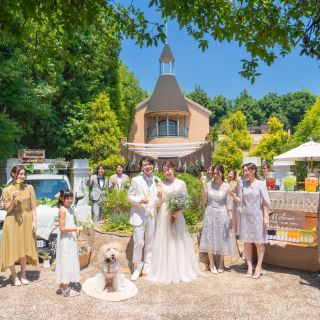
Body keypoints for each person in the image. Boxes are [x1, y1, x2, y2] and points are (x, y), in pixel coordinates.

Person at [148, 161, 201, 284]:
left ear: (174, 169)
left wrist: (178, 211)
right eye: (164, 170)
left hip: (177, 216)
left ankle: (180, 270)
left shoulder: (181, 183)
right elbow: (157, 203)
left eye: (168, 169)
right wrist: (159, 197)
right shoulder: (161, 183)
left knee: (178, 241)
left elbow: (186, 200)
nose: (167, 172)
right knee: (165, 241)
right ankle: (165, 271)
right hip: (164, 216)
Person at [0, 166, 38, 285]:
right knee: (12, 247)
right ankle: (14, 276)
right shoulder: (6, 189)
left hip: (26, 220)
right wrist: (13, 198)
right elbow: (8, 209)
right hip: (12, 221)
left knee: (24, 247)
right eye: (19, 174)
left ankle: (23, 274)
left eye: (23, 174)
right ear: (13, 174)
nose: (22, 176)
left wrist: (34, 221)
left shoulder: (29, 187)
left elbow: (33, 207)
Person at [235, 163, 271, 279]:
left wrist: (266, 217)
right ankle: (250, 267)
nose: (245, 173)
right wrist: (233, 195)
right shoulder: (243, 184)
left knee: (259, 243)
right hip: (245, 217)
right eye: (244, 171)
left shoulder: (261, 184)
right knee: (246, 242)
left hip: (257, 216)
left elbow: (265, 202)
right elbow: (240, 200)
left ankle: (259, 266)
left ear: (253, 171)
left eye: (246, 170)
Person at [199, 165, 237, 274]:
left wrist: (230, 219)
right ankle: (211, 263)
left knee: (222, 238)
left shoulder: (226, 186)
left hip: (222, 213)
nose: (215, 175)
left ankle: (221, 262)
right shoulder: (207, 185)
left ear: (222, 173)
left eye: (217, 173)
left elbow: (229, 204)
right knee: (209, 237)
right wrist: (204, 193)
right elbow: (203, 202)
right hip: (210, 212)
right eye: (214, 173)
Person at [128, 156, 158, 281]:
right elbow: (129, 196)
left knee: (150, 243)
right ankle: (137, 268)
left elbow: (158, 199)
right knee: (139, 242)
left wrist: (160, 198)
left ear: (153, 166)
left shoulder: (157, 180)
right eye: (145, 164)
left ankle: (147, 266)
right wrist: (139, 200)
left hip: (151, 215)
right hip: (139, 215)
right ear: (141, 167)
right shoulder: (136, 180)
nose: (148, 166)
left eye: (150, 164)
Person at [55, 190, 81, 297]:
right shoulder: (62, 210)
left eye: (71, 198)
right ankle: (66, 290)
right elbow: (62, 228)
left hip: (70, 238)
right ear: (62, 199)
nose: (70, 200)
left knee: (68, 260)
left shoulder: (69, 209)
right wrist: (75, 228)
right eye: (67, 198)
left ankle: (62, 286)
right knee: (65, 261)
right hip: (65, 240)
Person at [227, 169, 240, 235]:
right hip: (225, 201)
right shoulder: (224, 182)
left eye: (232, 174)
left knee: (232, 218)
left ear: (234, 176)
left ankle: (232, 233)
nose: (230, 175)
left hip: (232, 202)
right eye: (229, 173)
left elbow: (238, 193)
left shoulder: (235, 183)